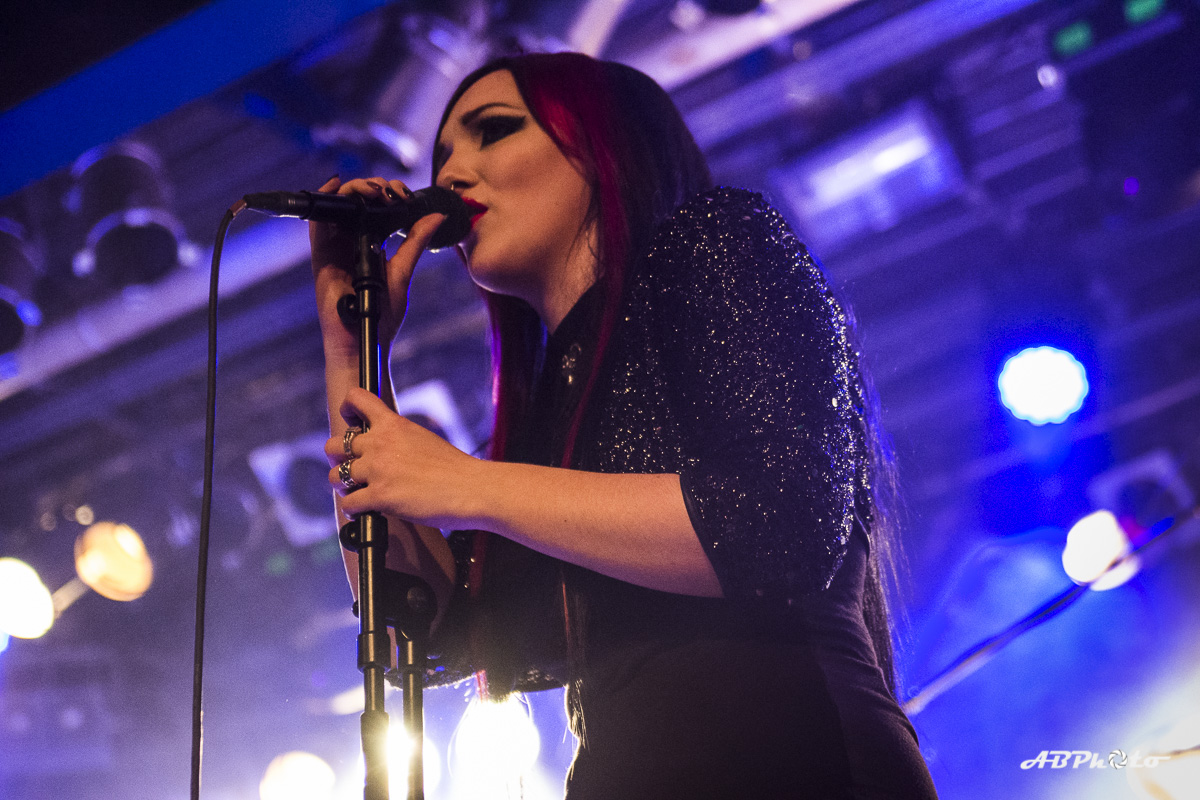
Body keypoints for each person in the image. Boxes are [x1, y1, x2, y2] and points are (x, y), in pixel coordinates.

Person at [311, 52, 938, 799]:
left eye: (495, 130)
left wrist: (468, 485)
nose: (451, 173)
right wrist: (351, 350)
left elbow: (776, 521)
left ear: (604, 146)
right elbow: (422, 631)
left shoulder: (716, 240)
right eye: (441, 155)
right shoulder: (551, 405)